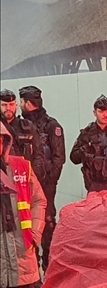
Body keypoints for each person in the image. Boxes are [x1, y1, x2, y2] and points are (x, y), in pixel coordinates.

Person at [0, 120, 47, 288]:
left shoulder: (21, 167)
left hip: (21, 255)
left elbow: (39, 199)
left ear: (6, 141)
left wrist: (35, 234)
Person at [18, 85, 64, 268]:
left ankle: (49, 265)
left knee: (47, 222)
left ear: (28, 103)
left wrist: (49, 182)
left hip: (45, 185)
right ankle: (32, 266)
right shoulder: (20, 126)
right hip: (23, 184)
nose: (20, 105)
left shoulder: (52, 126)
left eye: (21, 102)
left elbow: (59, 158)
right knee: (26, 223)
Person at [1, 88, 40, 167]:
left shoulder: (27, 126)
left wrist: (32, 172)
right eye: (4, 105)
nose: (8, 108)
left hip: (25, 171)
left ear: (16, 105)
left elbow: (39, 153)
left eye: (11, 104)